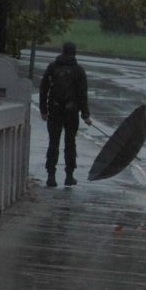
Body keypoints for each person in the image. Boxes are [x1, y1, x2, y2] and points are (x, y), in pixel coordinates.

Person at [39, 41, 92, 187]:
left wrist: (43, 110)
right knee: (70, 143)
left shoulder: (52, 67)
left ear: (62, 51)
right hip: (71, 112)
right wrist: (85, 114)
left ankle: (51, 176)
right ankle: (69, 175)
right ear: (74, 52)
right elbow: (82, 94)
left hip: (54, 110)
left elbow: (43, 89)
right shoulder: (78, 71)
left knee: (53, 143)